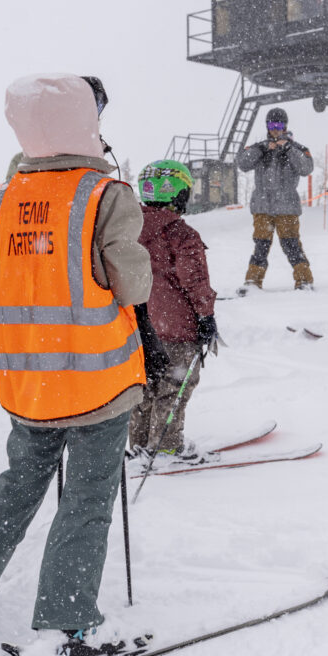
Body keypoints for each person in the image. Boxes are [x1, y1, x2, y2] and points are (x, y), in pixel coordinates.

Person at [0, 73, 161, 656]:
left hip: (28, 384)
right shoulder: (105, 196)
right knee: (87, 498)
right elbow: (133, 282)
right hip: (98, 383)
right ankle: (67, 622)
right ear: (88, 123)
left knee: (16, 488)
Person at [128, 159, 218, 461]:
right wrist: (206, 316)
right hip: (177, 328)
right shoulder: (181, 234)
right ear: (178, 193)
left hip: (139, 329)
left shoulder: (128, 231)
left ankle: (140, 443)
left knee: (144, 388)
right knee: (175, 386)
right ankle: (166, 446)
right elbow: (195, 281)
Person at [237, 107, 314, 291]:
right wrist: (262, 148)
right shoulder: (259, 148)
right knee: (261, 245)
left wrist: (287, 148)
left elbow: (306, 168)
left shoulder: (297, 149)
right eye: (272, 124)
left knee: (291, 244)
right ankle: (253, 282)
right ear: (267, 126)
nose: (275, 129)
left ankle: (304, 280)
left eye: (279, 125)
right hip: (262, 206)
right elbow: (243, 163)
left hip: (287, 207)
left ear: (285, 126)